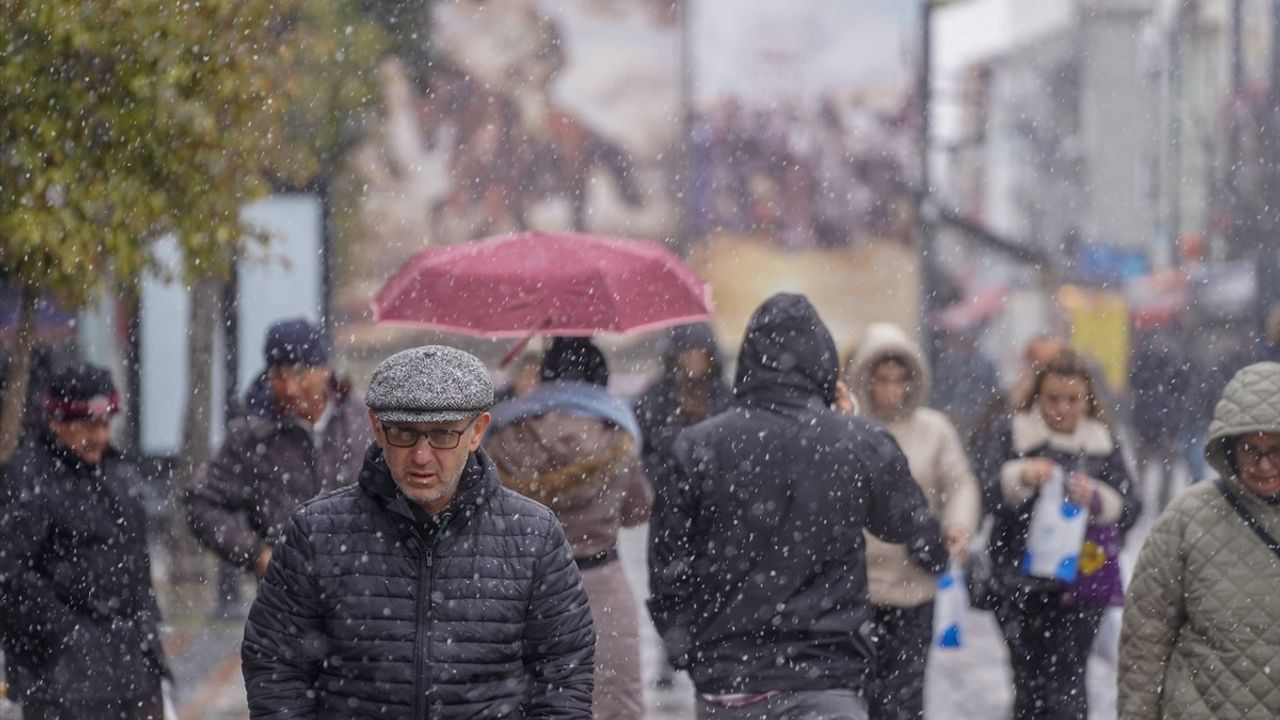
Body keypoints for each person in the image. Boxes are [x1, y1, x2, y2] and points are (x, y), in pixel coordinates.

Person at [241, 345, 595, 718]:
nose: (422, 456)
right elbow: (275, 663)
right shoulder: (316, 533)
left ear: (477, 432)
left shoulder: (533, 537)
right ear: (376, 428)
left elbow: (563, 672)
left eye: (443, 436)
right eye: (404, 434)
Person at [648, 293, 947, 720]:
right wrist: (854, 428)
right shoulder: (855, 442)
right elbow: (906, 524)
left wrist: (688, 649)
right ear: (822, 362)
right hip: (826, 678)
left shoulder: (698, 446)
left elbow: (666, 565)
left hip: (731, 680)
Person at [486, 337, 652, 720]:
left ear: (545, 377)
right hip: (602, 587)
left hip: (528, 590)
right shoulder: (618, 435)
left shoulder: (507, 434)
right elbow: (637, 509)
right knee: (612, 703)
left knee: (531, 704)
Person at [975, 347, 1140, 720]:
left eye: (1072, 399)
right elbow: (984, 492)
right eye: (1053, 398)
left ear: (1087, 399)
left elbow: (1131, 507)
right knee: (1028, 682)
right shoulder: (1012, 433)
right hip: (1018, 580)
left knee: (1068, 681)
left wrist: (1098, 498)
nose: (1062, 409)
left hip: (1081, 581)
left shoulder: (1101, 442)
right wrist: (1019, 476)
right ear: (1038, 395)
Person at [0, 364, 169, 719]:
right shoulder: (30, 478)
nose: (99, 436)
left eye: (105, 424)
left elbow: (136, 565)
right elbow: (9, 572)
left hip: (132, 668)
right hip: (62, 678)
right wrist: (68, 634)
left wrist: (149, 638)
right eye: (87, 425)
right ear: (56, 423)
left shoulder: (117, 474)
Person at [1118, 361, 1280, 720]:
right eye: (1250, 449)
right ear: (1229, 448)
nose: (1263, 464)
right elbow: (1145, 639)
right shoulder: (1186, 519)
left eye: (1276, 450)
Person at [843, 323, 981, 720]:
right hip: (858, 589)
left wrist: (958, 525)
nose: (890, 390)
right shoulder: (850, 428)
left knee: (906, 694)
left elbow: (959, 482)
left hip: (915, 585)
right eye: (881, 380)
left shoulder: (933, 430)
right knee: (861, 696)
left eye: (899, 380)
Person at [186, 318, 370, 580]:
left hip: (362, 589)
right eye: (278, 377)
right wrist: (256, 555)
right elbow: (200, 502)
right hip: (288, 598)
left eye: (298, 374)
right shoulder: (253, 435)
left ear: (325, 369)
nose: (290, 389)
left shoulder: (365, 421)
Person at [635, 324, 733, 688]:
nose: (693, 360)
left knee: (710, 578)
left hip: (713, 506)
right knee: (671, 578)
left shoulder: (723, 396)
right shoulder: (656, 398)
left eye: (700, 352)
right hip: (670, 505)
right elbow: (643, 449)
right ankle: (670, 649)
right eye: (687, 351)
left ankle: (706, 646)